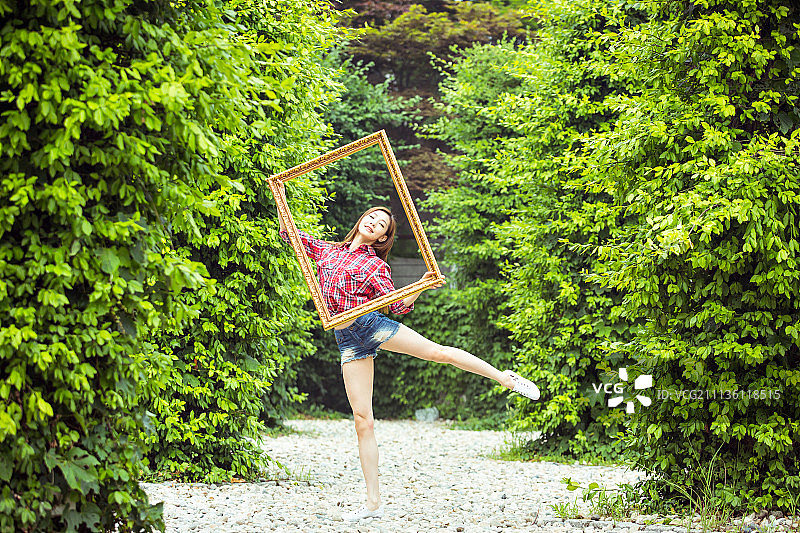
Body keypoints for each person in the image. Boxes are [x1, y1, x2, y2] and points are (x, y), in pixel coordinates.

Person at [274, 181, 540, 521]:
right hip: (348, 341)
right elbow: (289, 232)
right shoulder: (326, 251)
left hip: (372, 326)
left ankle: (504, 378)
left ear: (382, 238)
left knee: (438, 352)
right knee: (362, 421)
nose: (374, 222)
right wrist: (279, 192)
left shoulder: (376, 266)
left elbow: (395, 306)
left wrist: (423, 286)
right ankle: (373, 504)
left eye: (381, 225)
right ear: (361, 221)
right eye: (372, 216)